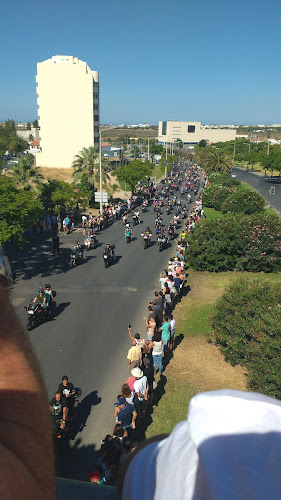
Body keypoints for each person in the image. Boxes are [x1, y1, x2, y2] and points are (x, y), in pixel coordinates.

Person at [0, 283, 56, 498]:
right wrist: (31, 305)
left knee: (45, 309)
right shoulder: (38, 296)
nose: (42, 293)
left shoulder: (47, 297)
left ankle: (45, 315)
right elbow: (36, 300)